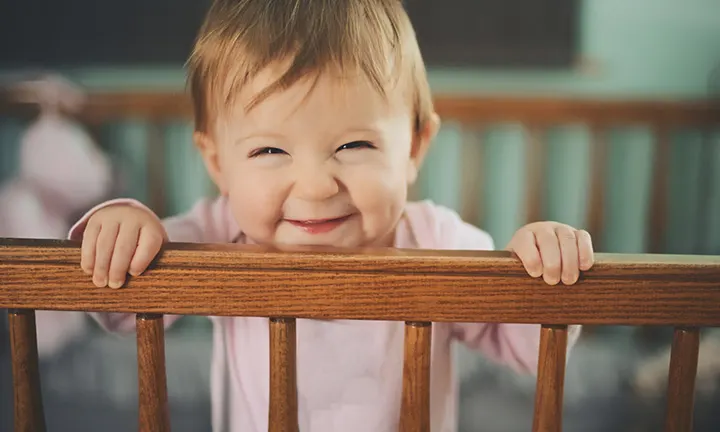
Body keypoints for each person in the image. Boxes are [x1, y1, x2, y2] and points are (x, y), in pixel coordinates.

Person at [68, 0, 595, 430]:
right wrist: (125, 224)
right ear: (217, 163)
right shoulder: (218, 233)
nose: (317, 185)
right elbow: (121, 307)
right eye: (269, 152)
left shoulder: (436, 238)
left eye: (354, 143)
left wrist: (543, 269)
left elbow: (530, 346)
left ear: (414, 147)